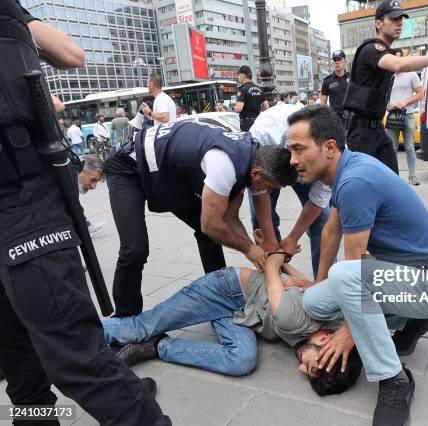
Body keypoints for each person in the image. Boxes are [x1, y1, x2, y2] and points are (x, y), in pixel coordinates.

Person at [0, 2, 169, 424]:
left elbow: (72, 56)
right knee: (20, 359)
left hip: (20, 196)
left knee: (74, 358)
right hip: (17, 197)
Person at [285, 105, 428, 426]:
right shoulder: (346, 170)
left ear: (329, 147)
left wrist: (350, 332)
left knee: (345, 275)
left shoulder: (355, 182)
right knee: (314, 301)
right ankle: (408, 323)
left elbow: (355, 268)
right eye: (290, 149)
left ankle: (393, 379)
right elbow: (331, 230)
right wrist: (319, 283)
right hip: (405, 275)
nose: (292, 160)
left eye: (298, 149)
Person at [100, 251, 366, 397]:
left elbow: (292, 284)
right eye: (308, 365)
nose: (299, 367)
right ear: (324, 340)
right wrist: (277, 256)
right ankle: (71, 330)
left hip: (242, 313)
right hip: (223, 290)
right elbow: (272, 269)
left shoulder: (334, 321)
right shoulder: (293, 320)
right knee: (138, 327)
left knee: (242, 361)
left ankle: (156, 347)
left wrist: (298, 276)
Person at [103, 120, 296, 317]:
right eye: (270, 187)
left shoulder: (252, 158)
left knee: (211, 237)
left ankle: (220, 299)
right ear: (256, 174)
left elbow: (229, 219)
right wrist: (249, 248)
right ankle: (125, 319)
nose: (268, 192)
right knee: (135, 249)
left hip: (169, 175)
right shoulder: (225, 165)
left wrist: (255, 250)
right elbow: (211, 225)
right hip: (128, 167)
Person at [342, 0, 428, 174]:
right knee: (358, 182)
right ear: (378, 23)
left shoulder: (384, 51)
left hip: (377, 128)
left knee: (391, 181)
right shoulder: (371, 49)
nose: (399, 23)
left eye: (401, 19)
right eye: (394, 19)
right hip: (360, 129)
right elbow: (398, 65)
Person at [249, 101, 332, 276]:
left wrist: (293, 238)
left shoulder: (329, 154)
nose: (295, 161)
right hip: (270, 155)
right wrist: (270, 240)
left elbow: (318, 201)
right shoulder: (263, 135)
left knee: (323, 221)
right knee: (261, 223)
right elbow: (259, 191)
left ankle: (324, 281)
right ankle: (273, 278)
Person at [385, 48, 424, 185]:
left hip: (407, 115)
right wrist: (387, 104)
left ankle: (412, 175)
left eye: (399, 59)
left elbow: (420, 94)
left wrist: (405, 102)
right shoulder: (387, 77)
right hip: (392, 115)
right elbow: (383, 96)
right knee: (392, 148)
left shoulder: (411, 74)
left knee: (410, 147)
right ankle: (393, 178)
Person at [234, 65, 269, 131]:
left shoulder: (242, 89)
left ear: (243, 75)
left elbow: (238, 109)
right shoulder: (259, 89)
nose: (238, 77)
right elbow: (266, 107)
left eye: (239, 75)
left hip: (247, 123)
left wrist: (234, 108)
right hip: (258, 121)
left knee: (248, 140)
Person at [320, 50, 350, 120]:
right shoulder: (327, 81)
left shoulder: (352, 78)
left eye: (339, 59)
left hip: (351, 117)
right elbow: (323, 103)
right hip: (335, 118)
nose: (336, 62)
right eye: (334, 60)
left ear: (345, 61)